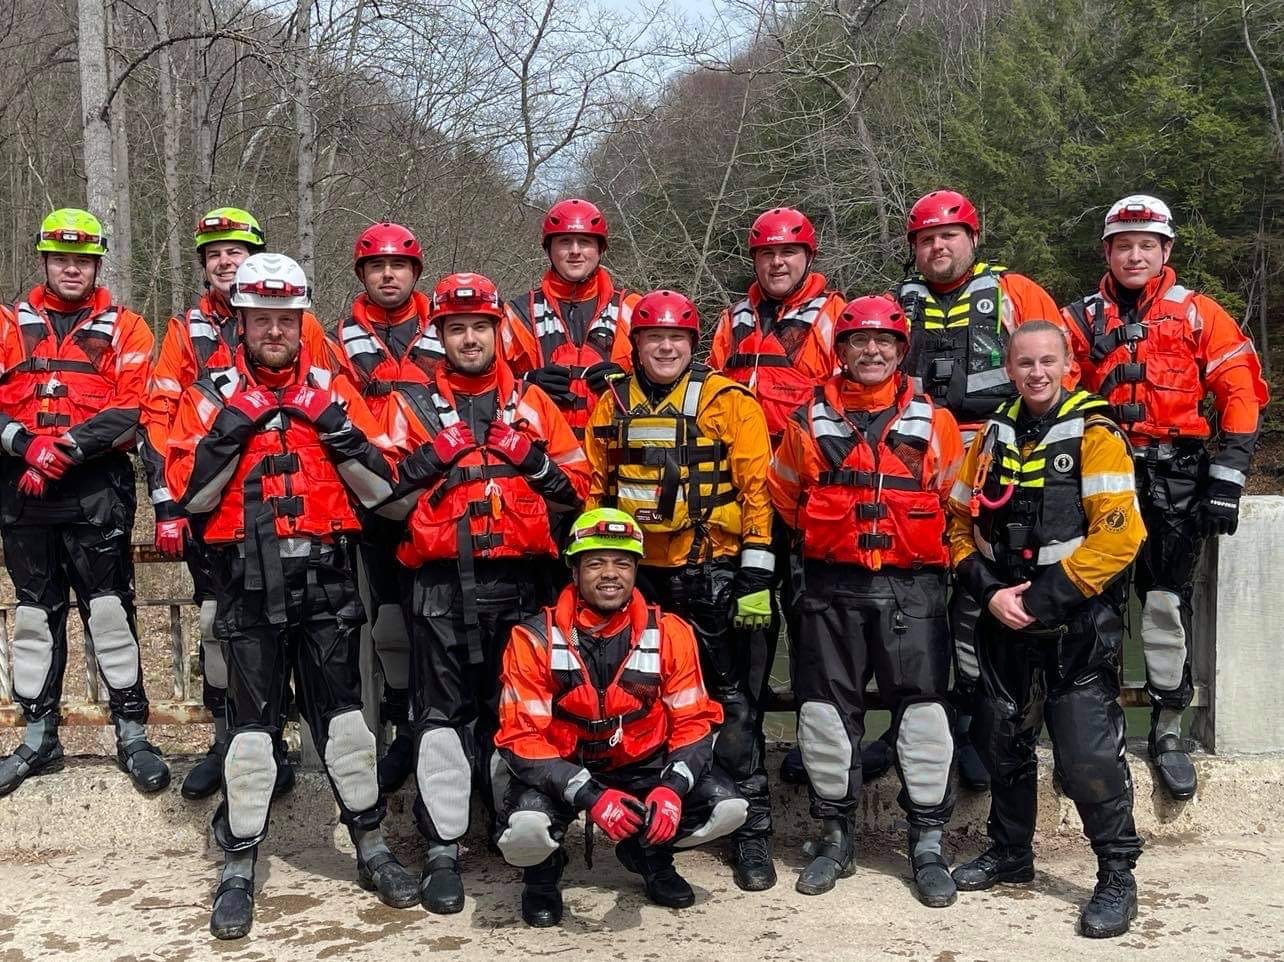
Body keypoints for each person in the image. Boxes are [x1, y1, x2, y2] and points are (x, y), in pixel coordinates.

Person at [165, 252, 418, 940]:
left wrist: (334, 427)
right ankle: (239, 866)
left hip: (328, 577)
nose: (274, 330)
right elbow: (191, 495)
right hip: (246, 580)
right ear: (240, 322)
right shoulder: (209, 390)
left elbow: (387, 493)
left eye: (286, 319)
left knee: (345, 726)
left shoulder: (333, 387)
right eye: (262, 319)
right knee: (249, 736)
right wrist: (233, 426)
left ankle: (370, 847)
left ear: (300, 322)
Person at [378, 271, 589, 914]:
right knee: (440, 719)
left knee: (523, 715)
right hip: (441, 585)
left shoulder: (532, 403)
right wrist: (427, 461)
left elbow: (579, 491)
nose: (469, 338)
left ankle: (524, 843)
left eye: (481, 327)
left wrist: (533, 461)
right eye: (456, 328)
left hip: (522, 581)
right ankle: (443, 848)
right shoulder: (410, 405)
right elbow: (381, 501)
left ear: (500, 332)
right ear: (438, 335)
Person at [1062, 194, 1270, 800]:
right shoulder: (1079, 320)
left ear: (1165, 251)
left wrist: (1227, 475)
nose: (1134, 255)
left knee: (1163, 607)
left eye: (1146, 245)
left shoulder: (1199, 315)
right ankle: (1096, 727)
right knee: (1093, 607)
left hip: (1176, 479)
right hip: (1098, 479)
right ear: (1107, 251)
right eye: (1123, 244)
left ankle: (1169, 729)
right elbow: (1053, 393)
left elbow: (1240, 392)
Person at [946, 321, 1145, 939]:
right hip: (1003, 615)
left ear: (1066, 366)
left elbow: (1122, 537)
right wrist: (989, 590)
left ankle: (1116, 874)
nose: (1035, 372)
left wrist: (1044, 596)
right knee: (1002, 740)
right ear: (1009, 367)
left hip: (1075, 621)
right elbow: (953, 525)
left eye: (1047, 362)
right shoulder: (988, 439)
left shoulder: (1096, 433)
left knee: (1086, 751)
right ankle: (1010, 854)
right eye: (1024, 362)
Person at [768, 294, 963, 905]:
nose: (871, 351)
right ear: (842, 351)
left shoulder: (936, 421)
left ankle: (927, 843)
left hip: (913, 589)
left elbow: (956, 500)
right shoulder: (809, 419)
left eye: (884, 342)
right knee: (825, 716)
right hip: (831, 586)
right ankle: (833, 837)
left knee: (925, 718)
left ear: (902, 351)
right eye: (858, 342)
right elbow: (784, 493)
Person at [584, 289, 778, 892]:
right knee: (639, 703)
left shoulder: (728, 402)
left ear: (693, 346)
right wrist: (597, 571)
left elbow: (756, 491)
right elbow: (597, 490)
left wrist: (756, 576)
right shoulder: (611, 404)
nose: (664, 347)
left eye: (676, 338)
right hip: (640, 580)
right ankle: (649, 838)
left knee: (737, 701)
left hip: (715, 571)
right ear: (635, 345)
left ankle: (752, 831)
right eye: (651, 338)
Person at [140, 207, 337, 801]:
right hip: (216, 506)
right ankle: (231, 739)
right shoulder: (186, 329)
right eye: (215, 253)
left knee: (298, 630)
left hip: (291, 508)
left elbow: (334, 410)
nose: (226, 261)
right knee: (219, 627)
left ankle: (281, 744)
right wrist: (167, 503)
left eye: (237, 251)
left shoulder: (305, 324)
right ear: (204, 265)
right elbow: (159, 417)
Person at [891, 188, 1071, 791]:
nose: (937, 247)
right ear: (914, 248)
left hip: (996, 464)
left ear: (973, 238)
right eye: (926, 239)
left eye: (948, 236)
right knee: (909, 601)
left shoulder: (1016, 295)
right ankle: (911, 720)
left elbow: (1059, 375)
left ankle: (977, 725)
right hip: (913, 466)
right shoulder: (899, 305)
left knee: (977, 600)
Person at [494, 508, 749, 926]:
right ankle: (542, 874)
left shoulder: (671, 632)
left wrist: (672, 788)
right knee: (526, 829)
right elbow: (521, 738)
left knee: (728, 807)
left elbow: (695, 723)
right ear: (574, 572)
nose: (610, 574)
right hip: (561, 768)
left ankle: (649, 852)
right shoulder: (533, 638)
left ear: (635, 570)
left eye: (622, 563)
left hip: (640, 765)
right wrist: (591, 797)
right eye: (595, 563)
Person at [0, 208, 169, 797]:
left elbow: (133, 409)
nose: (72, 269)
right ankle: (38, 736)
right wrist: (24, 442)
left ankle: (131, 733)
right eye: (61, 259)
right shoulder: (7, 323)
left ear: (97, 264)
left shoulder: (128, 327)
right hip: (23, 490)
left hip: (95, 489)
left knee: (108, 611)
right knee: (34, 617)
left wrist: (66, 446)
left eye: (83, 260)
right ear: (44, 261)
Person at [709, 206, 846, 790]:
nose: (778, 262)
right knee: (748, 625)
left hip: (808, 489)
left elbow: (850, 399)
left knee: (814, 620)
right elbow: (714, 393)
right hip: (746, 493)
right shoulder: (732, 319)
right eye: (767, 254)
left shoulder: (836, 317)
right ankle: (747, 741)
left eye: (788, 253)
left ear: (807, 257)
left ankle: (818, 750)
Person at [334, 221, 444, 793]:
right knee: (390, 619)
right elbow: (340, 413)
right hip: (376, 501)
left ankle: (445, 731)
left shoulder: (448, 326)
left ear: (414, 272)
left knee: (442, 619)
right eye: (376, 267)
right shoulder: (337, 338)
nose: (388, 275)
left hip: (442, 497)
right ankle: (403, 727)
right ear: (362, 275)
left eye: (398, 266)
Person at [503, 198, 638, 441]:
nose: (575, 251)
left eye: (585, 242)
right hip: (543, 457)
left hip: (615, 452)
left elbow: (666, 377)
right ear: (549, 249)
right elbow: (487, 383)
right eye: (565, 242)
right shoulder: (517, 314)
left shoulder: (634, 308)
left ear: (600, 249)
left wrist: (629, 380)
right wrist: (526, 382)